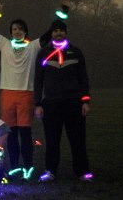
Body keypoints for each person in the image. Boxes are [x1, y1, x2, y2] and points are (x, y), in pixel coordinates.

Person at [0, 0, 65, 180]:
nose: (16, 31)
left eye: (20, 29)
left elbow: (51, 31)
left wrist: (63, 10)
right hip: (7, 94)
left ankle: (28, 168)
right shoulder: (4, 44)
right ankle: (15, 167)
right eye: (14, 29)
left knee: (25, 134)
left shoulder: (33, 46)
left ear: (25, 31)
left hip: (26, 94)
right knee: (11, 133)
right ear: (10, 32)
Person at [34, 20, 93, 182]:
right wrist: (38, 104)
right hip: (51, 103)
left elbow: (83, 78)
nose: (58, 33)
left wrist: (85, 101)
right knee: (52, 140)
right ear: (51, 34)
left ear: (65, 33)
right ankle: (51, 171)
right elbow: (38, 80)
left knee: (78, 140)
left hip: (74, 103)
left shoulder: (76, 52)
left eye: (61, 31)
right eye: (55, 31)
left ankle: (82, 172)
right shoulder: (43, 53)